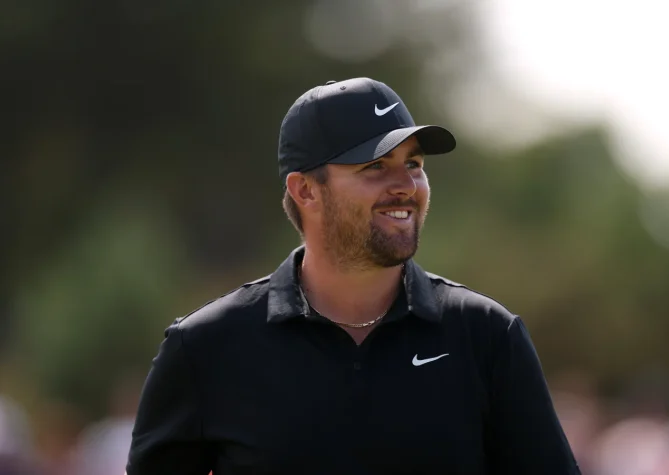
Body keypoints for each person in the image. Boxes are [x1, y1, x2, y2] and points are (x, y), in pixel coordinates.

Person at [126, 77, 581, 474]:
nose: (405, 184)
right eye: (374, 167)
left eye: (414, 164)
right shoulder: (205, 349)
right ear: (305, 189)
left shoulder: (487, 337)